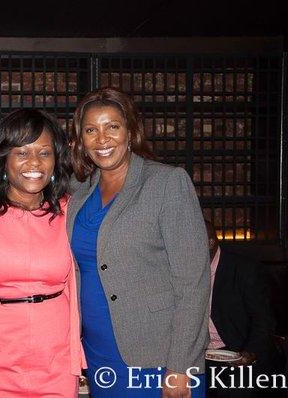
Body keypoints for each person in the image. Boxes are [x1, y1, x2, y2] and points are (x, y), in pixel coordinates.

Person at [67, 87, 209, 397]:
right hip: (97, 352)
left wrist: (180, 367)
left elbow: (194, 282)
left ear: (130, 131)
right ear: (81, 139)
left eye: (112, 126)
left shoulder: (166, 182)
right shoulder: (79, 195)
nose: (102, 139)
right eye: (91, 130)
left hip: (159, 355)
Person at [0, 109, 85, 397]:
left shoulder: (71, 212)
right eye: (22, 152)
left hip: (56, 360)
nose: (34, 163)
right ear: (4, 160)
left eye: (44, 153)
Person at [204, 220, 282, 397]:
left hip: (238, 353)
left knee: (236, 390)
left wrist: (250, 352)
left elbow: (264, 320)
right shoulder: (185, 272)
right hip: (201, 355)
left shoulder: (244, 269)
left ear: (210, 242)